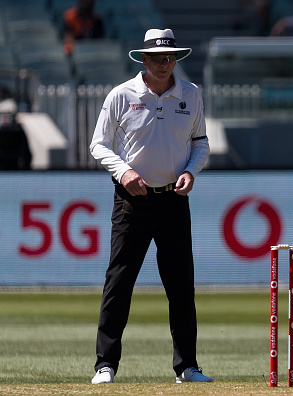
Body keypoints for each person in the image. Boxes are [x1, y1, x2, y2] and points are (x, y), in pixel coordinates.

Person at [89, 28, 212, 384]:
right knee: (119, 282)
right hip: (133, 202)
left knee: (180, 285)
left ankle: (187, 366)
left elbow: (200, 142)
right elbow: (100, 145)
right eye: (157, 58)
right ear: (143, 59)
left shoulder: (191, 93)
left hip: (174, 200)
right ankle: (105, 365)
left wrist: (191, 171)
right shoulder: (121, 95)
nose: (164, 64)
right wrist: (124, 171)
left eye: (170, 57)